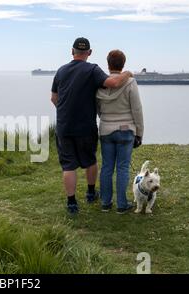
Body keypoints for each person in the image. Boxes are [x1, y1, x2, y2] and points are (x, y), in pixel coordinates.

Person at [51, 37, 133, 216]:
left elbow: (54, 98)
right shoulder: (92, 70)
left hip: (64, 126)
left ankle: (72, 203)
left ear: (72, 51)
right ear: (89, 53)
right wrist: (127, 73)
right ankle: (90, 193)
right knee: (90, 161)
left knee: (68, 166)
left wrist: (65, 112)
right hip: (85, 126)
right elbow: (113, 83)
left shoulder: (61, 71)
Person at [96, 49, 144, 214]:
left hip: (105, 129)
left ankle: (105, 203)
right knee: (122, 167)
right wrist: (139, 133)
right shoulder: (130, 82)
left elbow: (98, 109)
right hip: (126, 130)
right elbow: (137, 109)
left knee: (107, 167)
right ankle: (122, 205)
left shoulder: (101, 83)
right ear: (123, 64)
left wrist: (105, 119)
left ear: (108, 64)